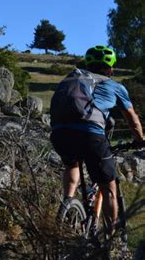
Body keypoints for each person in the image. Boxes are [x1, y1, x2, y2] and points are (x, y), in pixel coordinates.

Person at [50, 45, 144, 237]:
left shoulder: (73, 79)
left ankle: (68, 204)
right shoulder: (115, 86)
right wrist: (140, 140)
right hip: (91, 135)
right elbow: (132, 119)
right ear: (111, 68)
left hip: (59, 134)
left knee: (72, 164)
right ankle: (111, 242)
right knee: (108, 187)